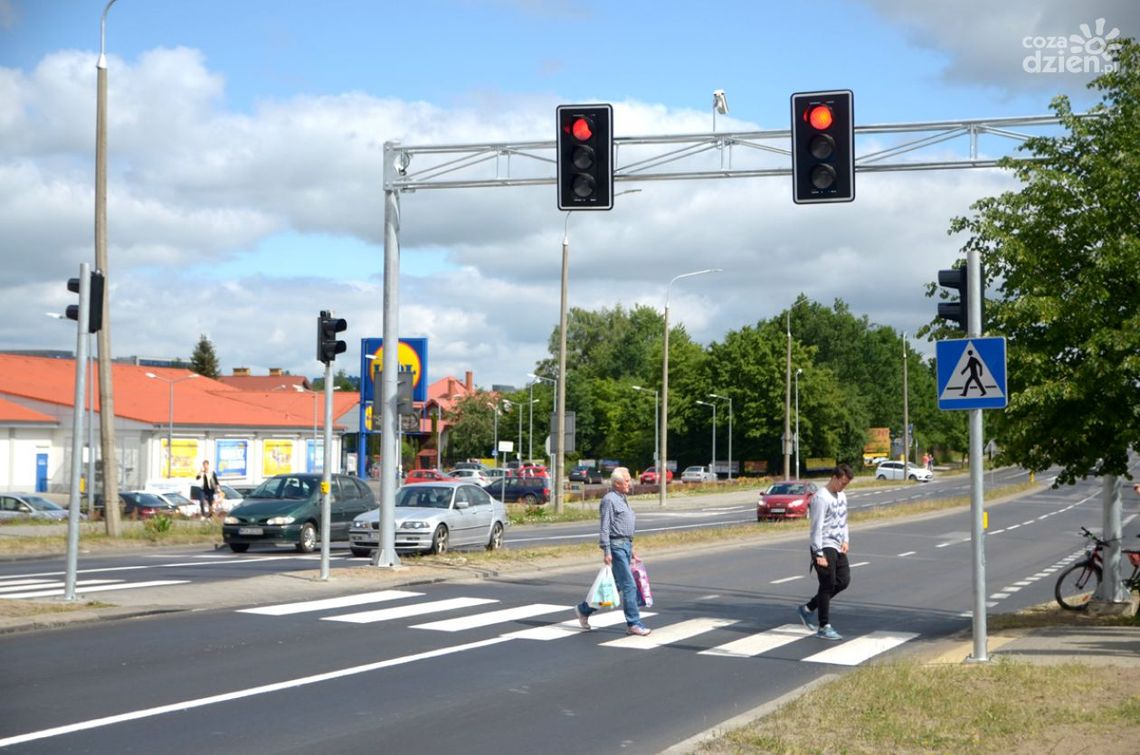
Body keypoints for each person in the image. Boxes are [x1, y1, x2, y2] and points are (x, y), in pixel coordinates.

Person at [574, 466, 651, 636]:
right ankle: (633, 623)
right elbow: (605, 528)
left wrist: (631, 549)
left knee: (614, 587)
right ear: (617, 483)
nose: (630, 484)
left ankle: (584, 610)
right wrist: (606, 551)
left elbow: (623, 525)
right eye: (627, 481)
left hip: (625, 545)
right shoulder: (609, 500)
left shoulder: (623, 498)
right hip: (616, 547)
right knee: (629, 585)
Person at [797, 463, 854, 640]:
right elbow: (816, 528)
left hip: (838, 544)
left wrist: (846, 539)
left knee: (843, 581)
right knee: (827, 584)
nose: (844, 487)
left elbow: (843, 520)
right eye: (842, 483)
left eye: (846, 484)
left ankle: (808, 608)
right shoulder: (821, 498)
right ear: (835, 478)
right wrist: (818, 553)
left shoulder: (842, 496)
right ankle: (824, 626)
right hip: (824, 544)